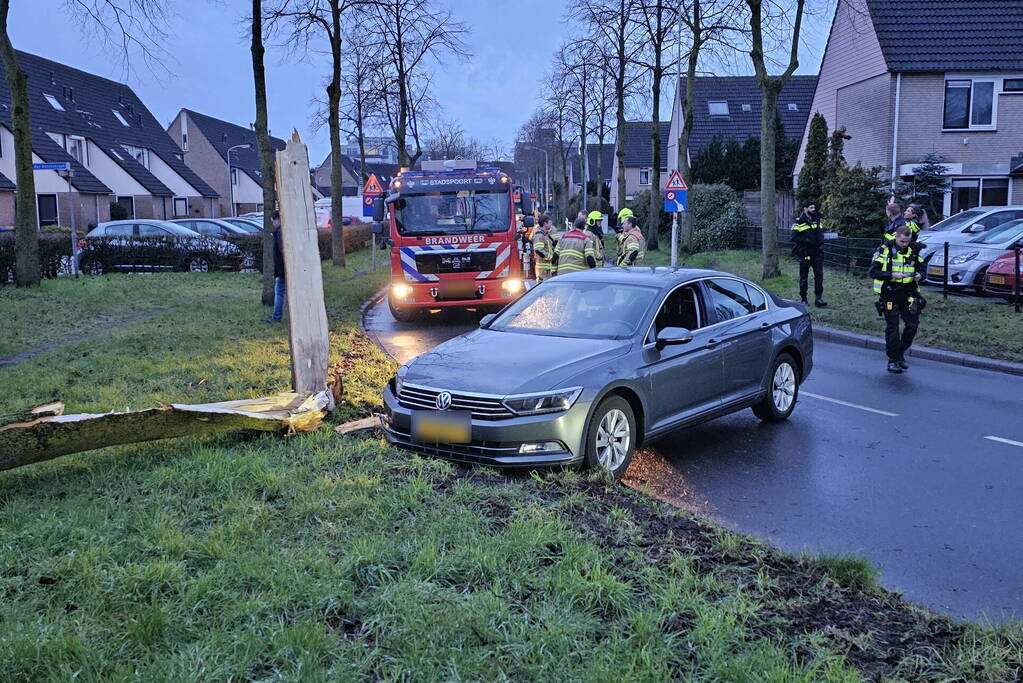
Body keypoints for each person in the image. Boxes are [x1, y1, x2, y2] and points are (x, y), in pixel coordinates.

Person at [868, 224, 925, 373]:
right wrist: (892, 275)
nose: (905, 245)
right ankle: (893, 360)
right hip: (890, 293)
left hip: (909, 294)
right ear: (896, 238)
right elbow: (873, 271)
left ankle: (900, 353)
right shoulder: (884, 250)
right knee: (892, 327)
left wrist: (920, 275)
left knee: (912, 325)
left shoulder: (914, 250)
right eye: (902, 242)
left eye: (907, 242)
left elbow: (922, 269)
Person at [790, 202, 827, 307]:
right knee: (804, 277)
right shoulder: (799, 222)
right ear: (805, 208)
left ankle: (818, 298)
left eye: (814, 207)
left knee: (819, 276)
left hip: (817, 253)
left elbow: (820, 232)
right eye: (811, 207)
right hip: (804, 253)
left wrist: (820, 240)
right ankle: (803, 298)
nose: (813, 209)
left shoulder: (817, 219)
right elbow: (793, 237)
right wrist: (807, 241)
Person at [264, 212, 285, 323]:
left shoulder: (279, 232)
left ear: (278, 219)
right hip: (283, 268)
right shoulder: (283, 231)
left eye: (273, 221)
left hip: (282, 269)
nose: (273, 224)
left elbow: (282, 251)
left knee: (279, 292)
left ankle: (276, 317)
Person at [531, 214, 555, 282]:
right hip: (542, 269)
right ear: (545, 224)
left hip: (547, 268)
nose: (551, 225)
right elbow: (539, 250)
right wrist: (550, 257)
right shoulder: (539, 235)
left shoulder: (545, 235)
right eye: (550, 223)